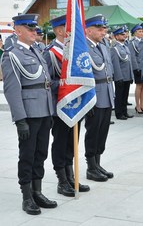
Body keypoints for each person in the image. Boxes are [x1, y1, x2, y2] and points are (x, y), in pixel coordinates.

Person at [1, 14, 57, 215]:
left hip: (44, 110)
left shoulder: (36, 51)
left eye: (35, 29)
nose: (35, 32)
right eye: (30, 28)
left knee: (41, 153)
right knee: (27, 155)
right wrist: (20, 119)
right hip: (29, 113)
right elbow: (12, 89)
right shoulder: (11, 54)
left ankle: (37, 191)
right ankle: (27, 197)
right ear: (18, 31)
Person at [43, 15, 90, 197]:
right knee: (61, 143)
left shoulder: (74, 51)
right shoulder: (50, 53)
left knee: (73, 142)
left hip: (76, 105)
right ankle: (62, 180)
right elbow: (47, 83)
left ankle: (71, 177)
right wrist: (66, 84)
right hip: (60, 106)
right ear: (60, 31)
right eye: (68, 27)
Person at [84, 15, 114, 182]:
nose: (104, 31)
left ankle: (98, 163)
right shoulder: (84, 48)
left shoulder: (102, 46)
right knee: (93, 131)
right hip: (95, 94)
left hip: (107, 92)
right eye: (100, 29)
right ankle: (91, 167)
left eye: (104, 28)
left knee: (103, 132)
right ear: (89, 30)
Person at [111, 26, 134, 120]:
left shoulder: (125, 47)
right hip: (120, 76)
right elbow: (116, 64)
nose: (124, 35)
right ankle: (119, 113)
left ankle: (124, 111)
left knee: (125, 96)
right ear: (116, 37)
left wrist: (131, 75)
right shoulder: (114, 48)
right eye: (121, 34)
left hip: (127, 75)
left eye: (124, 34)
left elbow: (129, 63)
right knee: (119, 96)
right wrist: (118, 77)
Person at [128, 24, 143, 114]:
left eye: (142, 31)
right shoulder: (132, 43)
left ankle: (142, 104)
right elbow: (133, 56)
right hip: (138, 67)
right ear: (135, 33)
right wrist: (136, 68)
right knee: (139, 86)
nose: (141, 33)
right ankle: (137, 105)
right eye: (139, 31)